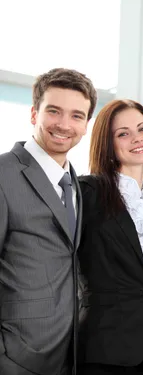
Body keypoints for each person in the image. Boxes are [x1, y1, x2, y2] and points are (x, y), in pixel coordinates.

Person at [0, 68, 97, 375]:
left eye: (76, 116)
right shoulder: (4, 175)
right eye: (54, 111)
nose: (64, 125)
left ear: (85, 125)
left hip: (68, 353)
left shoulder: (75, 182)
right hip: (15, 357)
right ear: (34, 114)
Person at [76, 99, 143, 374]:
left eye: (142, 129)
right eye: (123, 133)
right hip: (103, 348)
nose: (137, 139)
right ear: (108, 144)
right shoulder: (88, 193)